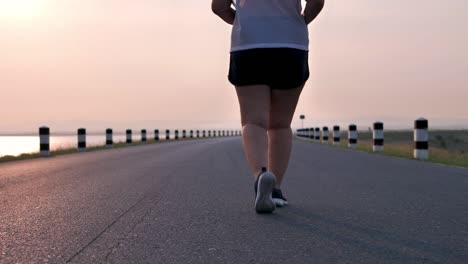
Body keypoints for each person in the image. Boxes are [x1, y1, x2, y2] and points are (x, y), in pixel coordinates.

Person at [212, 0, 325, 213]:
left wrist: (242, 20)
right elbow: (317, 2)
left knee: (254, 121)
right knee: (281, 125)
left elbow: (218, 6)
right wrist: (300, 21)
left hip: (249, 45)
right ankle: (275, 190)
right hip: (291, 45)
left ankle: (261, 175)